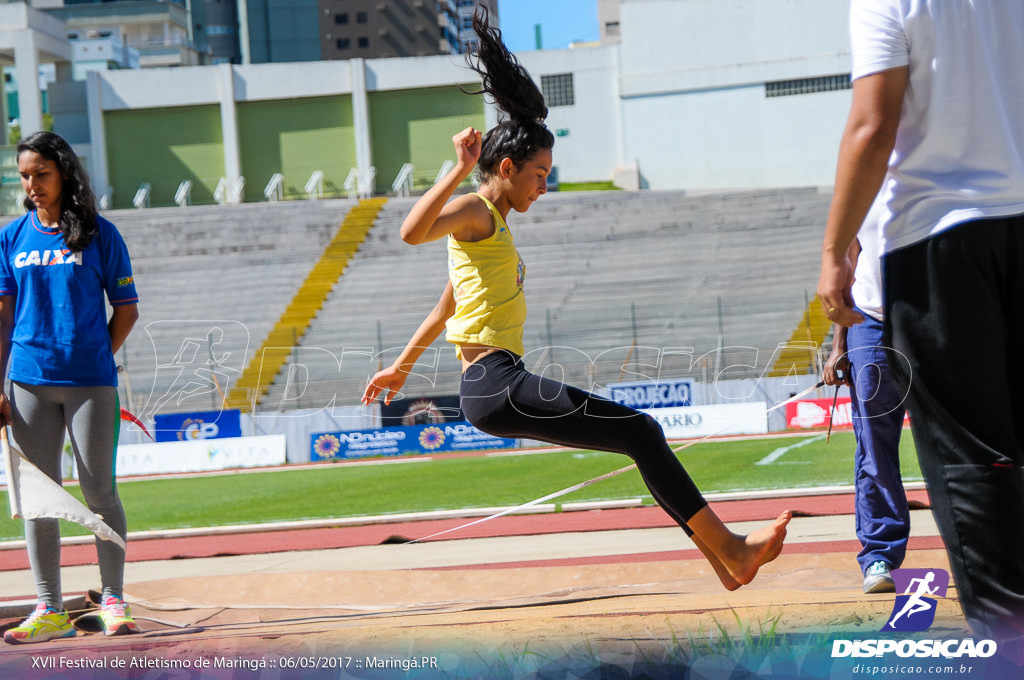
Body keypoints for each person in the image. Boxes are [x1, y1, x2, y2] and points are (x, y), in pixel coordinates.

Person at [363, 8, 790, 592]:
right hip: (495, 384)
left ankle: (725, 559)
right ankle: (732, 551)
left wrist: (399, 368)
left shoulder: (496, 230)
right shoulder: (476, 210)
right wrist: (457, 168)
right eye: (539, 174)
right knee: (641, 432)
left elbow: (446, 310)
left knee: (638, 436)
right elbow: (411, 232)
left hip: (496, 384)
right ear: (507, 168)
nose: (544, 186)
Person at [817, 1, 1024, 641]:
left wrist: (831, 254)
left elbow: (873, 126)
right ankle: (880, 553)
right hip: (1009, 222)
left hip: (940, 244)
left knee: (973, 466)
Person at [0, 131, 140, 643]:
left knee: (99, 492)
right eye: (24, 176)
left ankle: (114, 601)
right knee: (38, 496)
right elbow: (2, 316)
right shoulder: (12, 236)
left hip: (90, 385)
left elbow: (126, 310)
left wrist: (96, 355)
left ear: (64, 173)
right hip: (27, 384)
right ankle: (49, 607)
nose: (32, 184)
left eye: (41, 173)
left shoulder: (101, 234)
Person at [823, 199, 909, 595]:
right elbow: (847, 265)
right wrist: (839, 343)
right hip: (870, 326)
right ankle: (880, 554)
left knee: (954, 443)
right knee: (873, 447)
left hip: (934, 319)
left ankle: (981, 552)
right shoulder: (864, 186)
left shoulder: (940, 168)